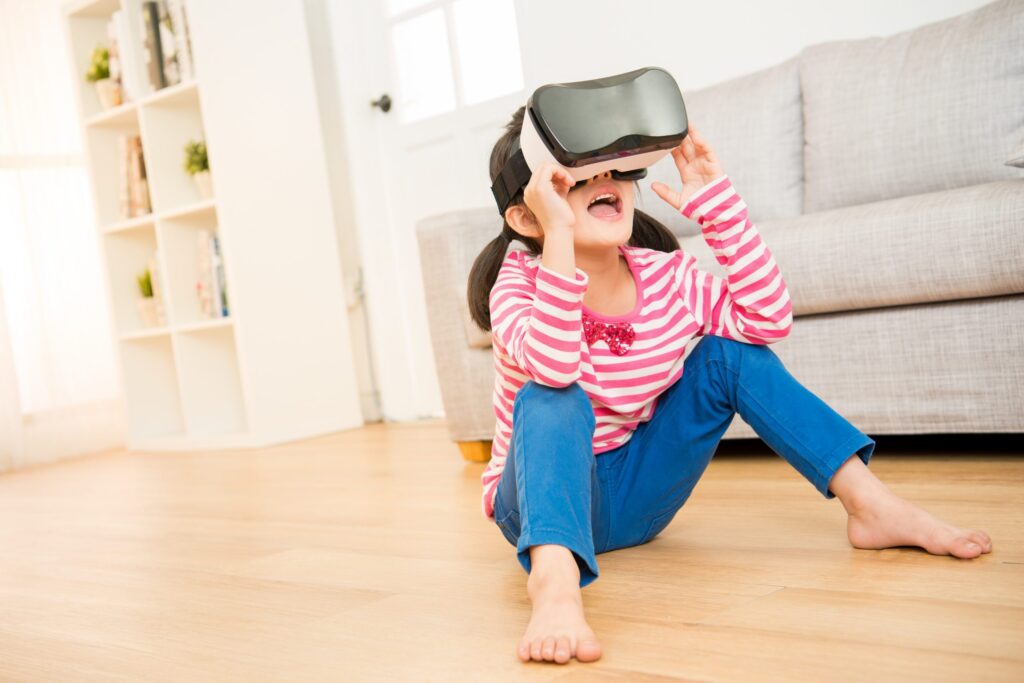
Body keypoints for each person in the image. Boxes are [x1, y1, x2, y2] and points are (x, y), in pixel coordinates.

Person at [465, 106, 993, 666]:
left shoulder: (669, 276)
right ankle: (554, 582)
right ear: (527, 218)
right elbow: (555, 366)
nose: (603, 180)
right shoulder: (518, 284)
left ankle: (873, 506)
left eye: (614, 168)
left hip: (638, 500)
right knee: (552, 395)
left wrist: (716, 205)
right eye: (571, 176)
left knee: (731, 354)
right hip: (540, 504)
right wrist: (561, 243)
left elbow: (767, 322)